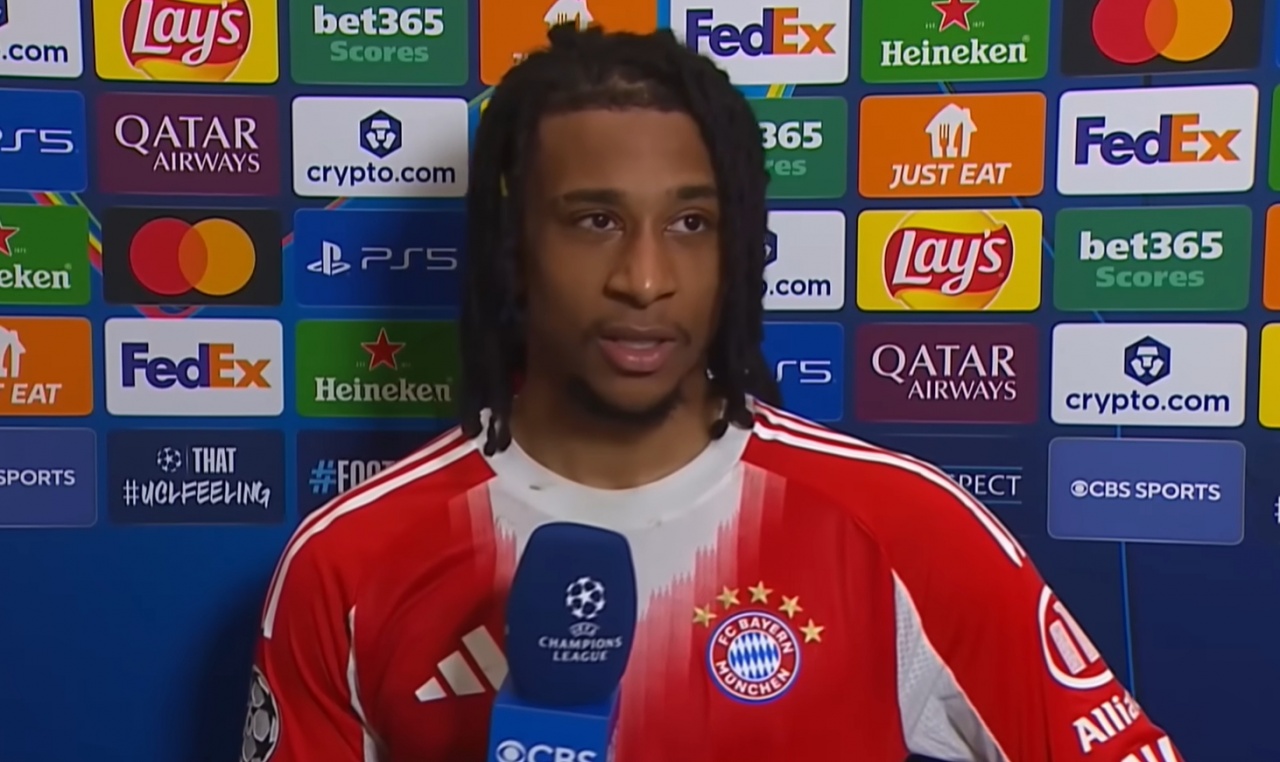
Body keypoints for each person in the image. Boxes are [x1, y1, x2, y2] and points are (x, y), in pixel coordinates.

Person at [243, 24, 1185, 762]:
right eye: (595, 220)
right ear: (512, 250)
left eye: (691, 223)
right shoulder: (351, 562)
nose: (646, 279)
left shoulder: (898, 525)